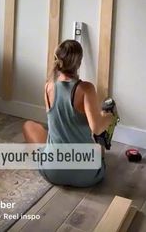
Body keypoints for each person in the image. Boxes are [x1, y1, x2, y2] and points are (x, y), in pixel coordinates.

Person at [22, 39, 114, 187]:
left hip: (53, 173)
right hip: (86, 175)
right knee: (98, 148)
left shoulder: (48, 86)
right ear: (79, 62)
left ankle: (43, 156)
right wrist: (109, 117)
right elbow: (96, 128)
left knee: (29, 125)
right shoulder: (86, 88)